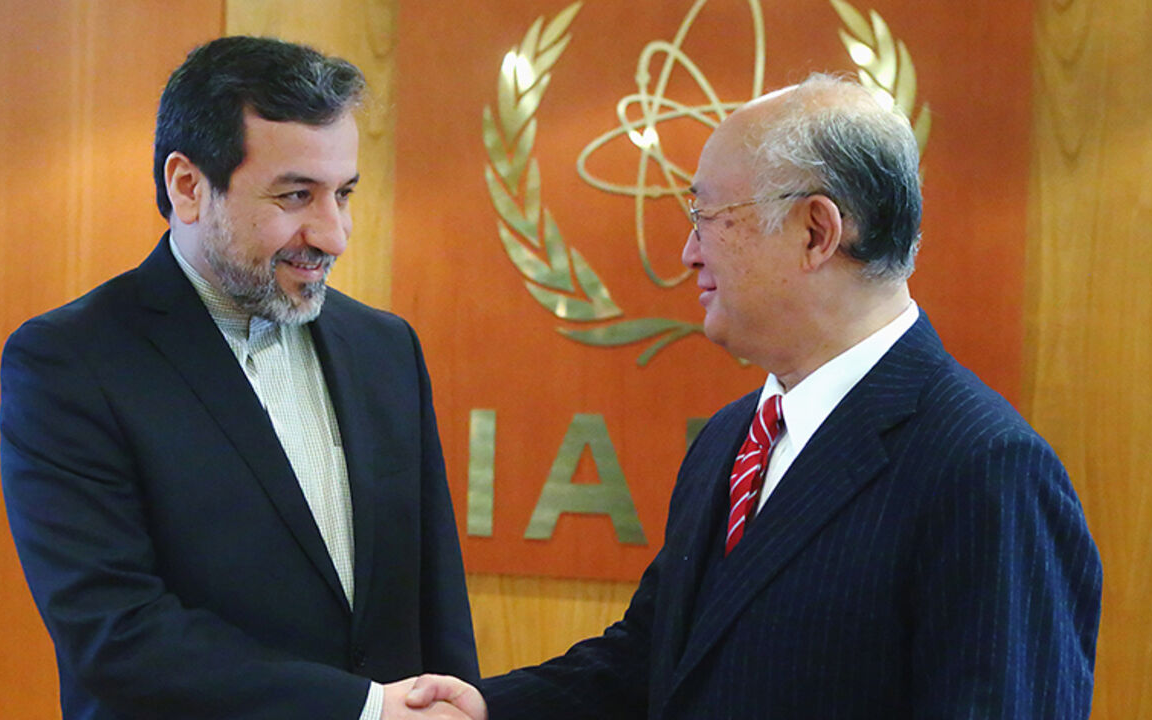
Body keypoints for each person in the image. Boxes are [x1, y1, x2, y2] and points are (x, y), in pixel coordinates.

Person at [401, 74, 1102, 719]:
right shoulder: (732, 437)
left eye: (709, 215)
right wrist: (485, 710)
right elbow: (656, 658)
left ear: (817, 232)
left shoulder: (987, 469)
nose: (688, 251)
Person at [0, 36, 478, 720]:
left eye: (343, 194)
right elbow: (117, 633)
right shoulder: (70, 362)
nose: (334, 234)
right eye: (296, 196)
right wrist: (363, 709)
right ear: (188, 187)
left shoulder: (386, 347)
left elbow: (435, 598)